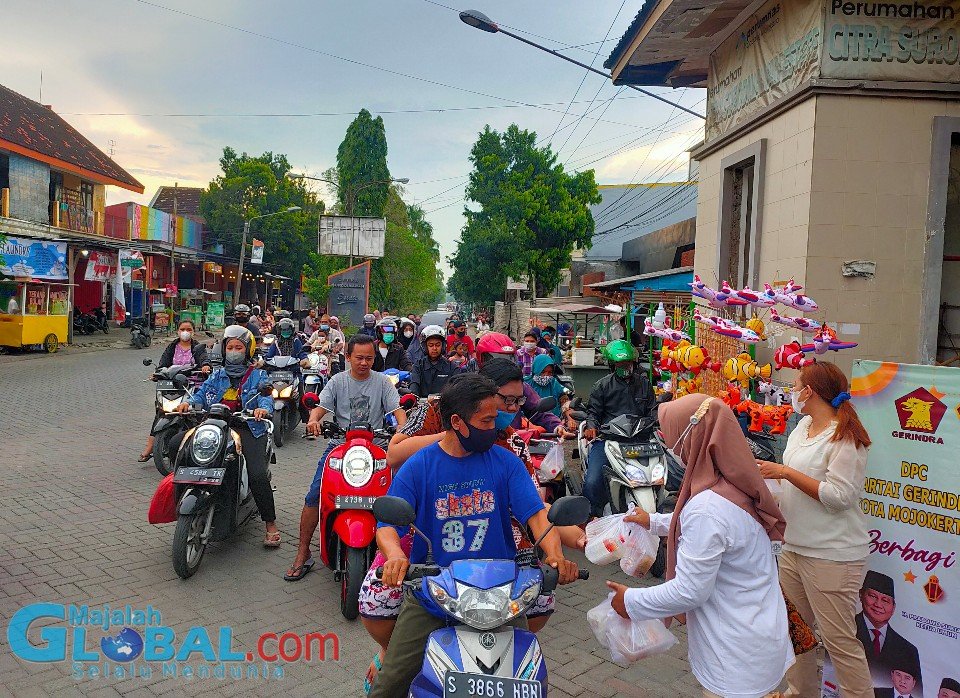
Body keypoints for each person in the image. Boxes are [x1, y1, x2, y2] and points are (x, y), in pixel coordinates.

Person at [368, 373, 578, 698]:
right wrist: (395, 556)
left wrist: (554, 555)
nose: (495, 427)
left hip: (501, 594)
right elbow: (387, 525)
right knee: (390, 683)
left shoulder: (505, 463)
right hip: (434, 591)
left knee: (526, 683)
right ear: (457, 422)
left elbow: (537, 516)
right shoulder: (419, 466)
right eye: (486, 420)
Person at [605, 393, 792, 698]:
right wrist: (653, 521)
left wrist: (630, 601)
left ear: (691, 437)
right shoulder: (735, 485)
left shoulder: (707, 507)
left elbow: (690, 591)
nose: (668, 446)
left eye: (671, 435)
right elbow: (717, 529)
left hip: (734, 655)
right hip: (758, 634)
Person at [758, 361, 877, 697]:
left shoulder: (845, 436)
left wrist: (784, 473)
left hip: (832, 555)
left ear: (809, 391)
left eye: (797, 385)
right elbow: (794, 484)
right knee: (795, 632)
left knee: (839, 642)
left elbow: (840, 497)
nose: (793, 391)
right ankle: (800, 692)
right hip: (794, 547)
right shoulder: (802, 427)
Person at [284, 334, 407, 581]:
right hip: (340, 447)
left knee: (399, 496)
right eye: (359, 358)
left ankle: (399, 551)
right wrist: (313, 420)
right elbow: (320, 408)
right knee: (315, 495)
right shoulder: (337, 381)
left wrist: (403, 430)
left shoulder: (383, 382)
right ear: (348, 357)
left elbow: (398, 411)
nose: (364, 363)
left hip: (377, 447)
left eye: (369, 358)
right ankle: (303, 552)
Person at [172, 325, 280, 546]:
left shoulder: (258, 375)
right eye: (230, 347)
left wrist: (262, 408)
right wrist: (187, 404)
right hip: (215, 427)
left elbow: (266, 396)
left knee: (257, 475)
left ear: (248, 350)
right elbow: (201, 395)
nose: (233, 351)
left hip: (248, 428)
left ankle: (270, 524)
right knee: (176, 445)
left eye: (238, 347)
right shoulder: (217, 375)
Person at [582, 339, 657, 516]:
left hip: (640, 441)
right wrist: (592, 426)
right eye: (620, 364)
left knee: (662, 476)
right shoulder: (602, 385)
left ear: (634, 363)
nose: (625, 367)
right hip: (609, 441)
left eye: (628, 363)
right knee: (592, 482)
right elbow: (593, 413)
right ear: (612, 365)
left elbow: (653, 410)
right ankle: (591, 517)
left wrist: (657, 420)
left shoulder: (645, 385)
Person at [138, 319, 211, 462]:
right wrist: (157, 373)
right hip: (172, 385)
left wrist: (205, 366)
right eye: (182, 329)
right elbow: (163, 364)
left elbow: (204, 359)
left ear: (193, 332)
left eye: (188, 329)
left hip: (192, 384)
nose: (185, 332)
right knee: (161, 412)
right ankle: (150, 446)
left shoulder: (197, 347)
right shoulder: (172, 347)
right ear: (178, 331)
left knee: (198, 412)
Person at [475, 332, 568, 436]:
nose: (513, 408)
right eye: (508, 399)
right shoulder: (471, 388)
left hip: (513, 440)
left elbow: (536, 410)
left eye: (509, 358)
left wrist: (557, 426)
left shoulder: (520, 387)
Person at [852, 571, 921, 689]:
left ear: (893, 608)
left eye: (885, 600)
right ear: (861, 595)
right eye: (873, 596)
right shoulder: (845, 629)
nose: (878, 604)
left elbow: (914, 693)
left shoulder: (908, 651)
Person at [408, 325, 454, 398]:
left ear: (443, 346)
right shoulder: (418, 365)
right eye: (431, 345)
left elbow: (456, 388)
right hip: (421, 403)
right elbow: (414, 384)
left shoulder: (452, 367)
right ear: (425, 346)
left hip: (445, 403)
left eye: (438, 345)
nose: (434, 348)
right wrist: (413, 396)